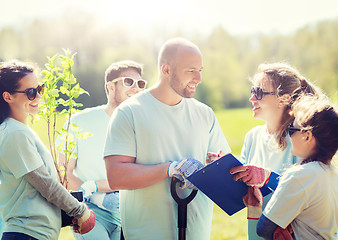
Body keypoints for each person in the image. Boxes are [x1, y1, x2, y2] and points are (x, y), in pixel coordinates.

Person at [103, 37, 231, 240]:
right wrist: (169, 169)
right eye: (191, 71)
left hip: (196, 233)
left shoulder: (204, 114)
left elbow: (225, 169)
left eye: (200, 70)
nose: (198, 78)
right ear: (166, 70)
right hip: (145, 234)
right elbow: (116, 176)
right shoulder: (129, 112)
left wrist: (217, 167)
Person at [208, 62, 321, 239]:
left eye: (259, 92)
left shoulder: (301, 140)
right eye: (252, 91)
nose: (252, 98)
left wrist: (267, 176)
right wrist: (226, 169)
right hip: (257, 232)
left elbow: (305, 193)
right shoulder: (252, 137)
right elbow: (245, 193)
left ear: (283, 98)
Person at [0, 61, 95, 240]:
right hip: (27, 234)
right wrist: (80, 211)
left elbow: (32, 191)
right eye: (30, 92)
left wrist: (67, 214)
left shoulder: (20, 130)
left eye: (40, 89)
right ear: (8, 97)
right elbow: (45, 184)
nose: (37, 97)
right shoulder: (14, 133)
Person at [56, 60, 146, 240]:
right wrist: (93, 198)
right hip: (90, 212)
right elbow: (63, 173)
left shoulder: (144, 127)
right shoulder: (78, 122)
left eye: (140, 83)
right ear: (110, 87)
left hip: (132, 215)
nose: (136, 88)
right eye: (128, 81)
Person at [257, 94, 338, 240]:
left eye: (292, 129)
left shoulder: (300, 175)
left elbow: (263, 228)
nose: (288, 135)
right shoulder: (332, 174)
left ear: (308, 136)